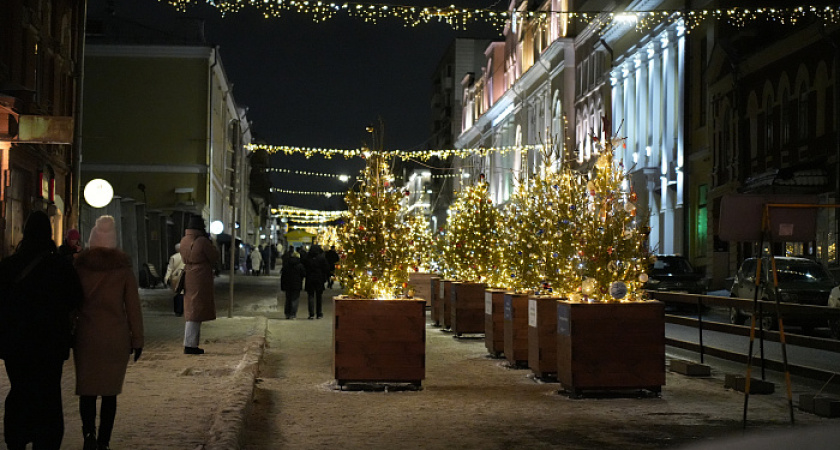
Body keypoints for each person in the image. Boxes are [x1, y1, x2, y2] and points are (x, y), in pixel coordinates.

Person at [0, 211, 83, 450]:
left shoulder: (8, 266)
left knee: (20, 388)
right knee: (48, 393)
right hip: (50, 343)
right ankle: (45, 439)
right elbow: (75, 298)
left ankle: (17, 437)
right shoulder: (60, 266)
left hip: (17, 343)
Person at [73, 215, 144, 450]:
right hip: (115, 338)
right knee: (109, 393)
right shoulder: (123, 270)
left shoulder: (80, 268)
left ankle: (88, 435)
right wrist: (137, 339)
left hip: (86, 336)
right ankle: (104, 441)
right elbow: (133, 308)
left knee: (87, 391)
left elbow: (71, 302)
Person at [180, 216, 219, 354]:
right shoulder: (202, 241)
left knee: (192, 307)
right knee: (195, 312)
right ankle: (190, 345)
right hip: (200, 276)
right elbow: (214, 256)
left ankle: (191, 343)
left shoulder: (184, 240)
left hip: (188, 274)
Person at [304, 244, 330, 319]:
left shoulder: (307, 258)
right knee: (319, 297)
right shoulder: (321, 258)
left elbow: (304, 267)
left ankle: (311, 314)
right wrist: (325, 277)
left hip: (310, 279)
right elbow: (326, 268)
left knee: (310, 296)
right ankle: (319, 313)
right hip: (319, 279)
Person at [280, 250, 306, 319]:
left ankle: (287, 313)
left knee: (288, 299)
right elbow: (304, 274)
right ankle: (293, 314)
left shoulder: (286, 265)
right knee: (295, 299)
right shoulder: (300, 265)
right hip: (297, 285)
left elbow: (283, 275)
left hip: (287, 284)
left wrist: (282, 285)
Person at [164, 243, 185, 316]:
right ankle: (182, 309)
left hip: (175, 277)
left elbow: (170, 268)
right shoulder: (186, 256)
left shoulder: (173, 257)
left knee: (177, 293)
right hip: (184, 276)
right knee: (183, 293)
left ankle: (177, 310)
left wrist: (166, 278)